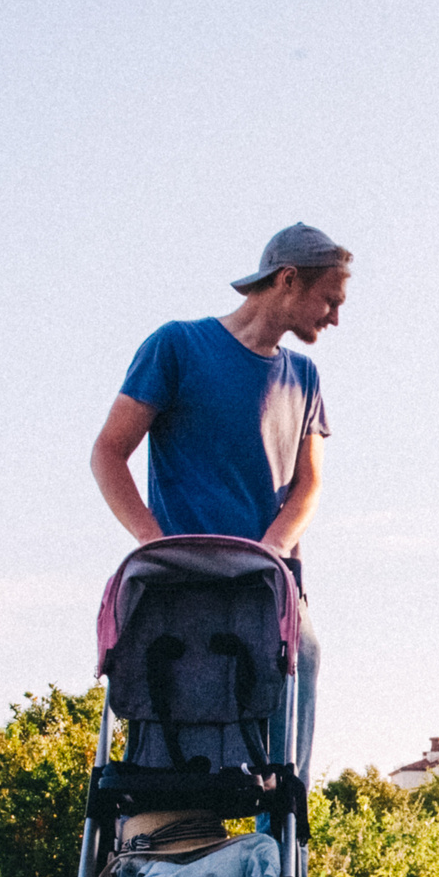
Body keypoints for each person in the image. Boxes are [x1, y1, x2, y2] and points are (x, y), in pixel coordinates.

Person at [89, 222, 347, 779]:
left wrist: (271, 549)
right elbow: (108, 453)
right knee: (172, 711)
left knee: (302, 662)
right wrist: (152, 542)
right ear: (288, 279)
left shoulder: (304, 376)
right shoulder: (177, 347)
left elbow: (309, 485)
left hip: (268, 585)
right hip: (180, 582)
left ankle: (284, 818)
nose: (334, 317)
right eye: (330, 300)